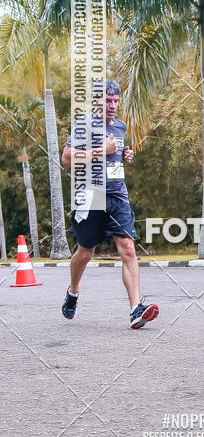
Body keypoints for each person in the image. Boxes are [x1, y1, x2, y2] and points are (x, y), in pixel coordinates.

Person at [60, 78, 159, 330]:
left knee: (127, 248)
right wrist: (100, 150)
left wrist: (123, 154)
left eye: (115, 100)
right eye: (107, 100)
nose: (113, 105)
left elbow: (113, 155)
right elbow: (67, 158)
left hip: (117, 196)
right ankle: (73, 291)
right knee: (85, 252)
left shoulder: (121, 127)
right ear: (96, 101)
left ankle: (135, 309)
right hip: (91, 196)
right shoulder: (84, 125)